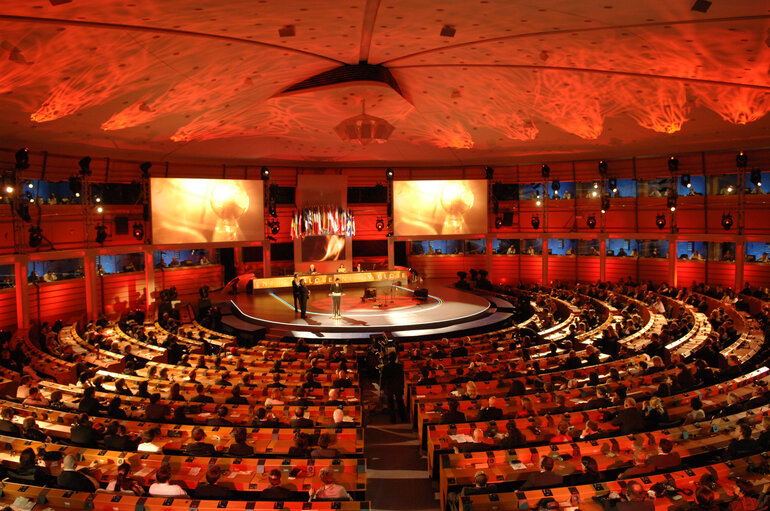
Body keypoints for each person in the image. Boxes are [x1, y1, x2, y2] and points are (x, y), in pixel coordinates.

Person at [380, 351, 407, 423]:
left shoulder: (385, 368)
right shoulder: (400, 367)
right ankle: (403, 418)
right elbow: (402, 378)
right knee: (400, 403)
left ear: (388, 359)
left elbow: (383, 379)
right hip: (398, 387)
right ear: (395, 358)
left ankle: (393, 420)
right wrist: (403, 386)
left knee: (391, 404)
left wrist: (381, 388)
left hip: (389, 387)